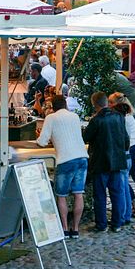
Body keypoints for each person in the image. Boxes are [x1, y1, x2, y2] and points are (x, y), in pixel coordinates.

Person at [36, 95, 89, 238]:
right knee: (78, 194)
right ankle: (76, 228)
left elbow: (42, 141)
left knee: (62, 196)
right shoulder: (74, 116)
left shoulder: (51, 118)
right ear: (65, 104)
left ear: (52, 106)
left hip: (65, 160)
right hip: (82, 157)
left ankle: (65, 228)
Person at [83, 91, 129, 232]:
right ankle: (117, 223)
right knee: (116, 193)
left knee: (100, 195)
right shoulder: (119, 117)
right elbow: (125, 139)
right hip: (117, 160)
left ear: (94, 104)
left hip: (100, 162)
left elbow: (86, 137)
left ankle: (101, 224)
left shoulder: (96, 120)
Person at [109, 92, 135, 219]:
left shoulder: (121, 117)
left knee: (124, 177)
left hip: (130, 148)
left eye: (110, 102)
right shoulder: (128, 113)